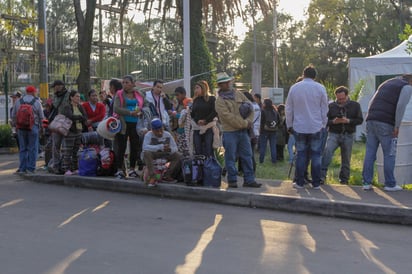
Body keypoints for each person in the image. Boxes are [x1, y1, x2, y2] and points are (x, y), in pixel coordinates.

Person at [362, 74, 412, 191]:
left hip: (371, 120)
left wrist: (370, 118)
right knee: (389, 153)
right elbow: (400, 106)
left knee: (370, 153)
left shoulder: (386, 83)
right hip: (386, 123)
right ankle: (390, 184)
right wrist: (397, 126)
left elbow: (371, 102)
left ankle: (366, 183)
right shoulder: (407, 87)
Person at [215, 72, 261, 188]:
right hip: (230, 132)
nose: (228, 84)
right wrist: (245, 123)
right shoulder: (219, 101)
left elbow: (250, 106)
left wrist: (249, 121)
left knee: (247, 155)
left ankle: (249, 180)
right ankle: (232, 180)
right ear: (220, 85)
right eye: (225, 82)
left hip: (243, 131)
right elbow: (228, 118)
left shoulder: (238, 93)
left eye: (228, 81)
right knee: (230, 157)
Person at [285, 65, 328, 190]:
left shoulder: (294, 88)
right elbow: (324, 109)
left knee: (301, 155)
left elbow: (289, 109)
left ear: (303, 74)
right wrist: (323, 124)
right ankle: (316, 183)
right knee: (316, 155)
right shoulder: (320, 88)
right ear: (315, 76)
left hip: (299, 126)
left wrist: (289, 125)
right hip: (316, 126)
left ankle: (299, 182)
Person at [321, 86, 363, 184]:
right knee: (327, 153)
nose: (340, 101)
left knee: (346, 158)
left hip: (348, 134)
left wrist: (348, 121)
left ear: (347, 96)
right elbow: (324, 121)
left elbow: (360, 120)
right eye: (338, 99)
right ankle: (321, 176)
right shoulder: (331, 106)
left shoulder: (355, 105)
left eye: (342, 99)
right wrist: (333, 122)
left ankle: (344, 179)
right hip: (334, 133)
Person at [113, 75, 146, 179]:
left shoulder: (138, 94)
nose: (125, 84)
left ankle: (132, 169)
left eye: (127, 82)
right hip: (123, 123)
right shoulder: (119, 94)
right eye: (123, 82)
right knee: (121, 147)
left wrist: (140, 111)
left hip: (136, 124)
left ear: (132, 83)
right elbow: (116, 108)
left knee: (135, 147)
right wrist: (130, 112)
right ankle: (119, 169)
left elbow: (144, 105)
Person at [11, 86, 44, 174]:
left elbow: (13, 115)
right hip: (33, 127)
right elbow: (41, 117)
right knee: (32, 148)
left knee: (23, 148)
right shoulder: (37, 102)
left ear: (26, 92)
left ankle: (22, 168)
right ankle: (31, 168)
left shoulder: (19, 101)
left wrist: (15, 125)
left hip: (21, 127)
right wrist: (42, 128)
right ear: (33, 92)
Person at [142, 118, 182, 187]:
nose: (160, 133)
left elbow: (175, 148)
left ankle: (167, 175)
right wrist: (160, 147)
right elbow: (145, 147)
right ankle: (153, 176)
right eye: (157, 131)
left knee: (178, 155)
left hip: (165, 154)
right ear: (152, 130)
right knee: (146, 153)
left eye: (161, 130)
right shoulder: (148, 135)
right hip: (153, 154)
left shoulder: (167, 135)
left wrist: (169, 150)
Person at [61, 90, 88, 175]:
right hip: (70, 131)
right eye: (76, 96)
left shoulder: (80, 107)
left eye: (79, 96)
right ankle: (67, 169)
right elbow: (70, 116)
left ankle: (75, 168)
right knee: (68, 151)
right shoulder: (67, 107)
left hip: (79, 131)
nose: (78, 98)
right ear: (71, 97)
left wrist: (79, 117)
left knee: (76, 151)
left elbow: (85, 117)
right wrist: (80, 117)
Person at [47, 80, 71, 174]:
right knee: (55, 145)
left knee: (66, 146)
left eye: (55, 86)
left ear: (61, 86)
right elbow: (53, 107)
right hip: (57, 122)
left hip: (66, 122)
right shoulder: (55, 96)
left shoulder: (69, 95)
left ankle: (66, 165)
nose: (54, 88)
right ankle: (56, 165)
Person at [191, 80, 218, 157]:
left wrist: (205, 120)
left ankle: (209, 166)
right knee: (197, 149)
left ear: (203, 88)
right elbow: (193, 114)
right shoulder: (195, 100)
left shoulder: (212, 99)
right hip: (197, 128)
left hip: (208, 127)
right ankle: (199, 168)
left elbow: (215, 112)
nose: (195, 90)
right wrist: (197, 120)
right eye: (195, 88)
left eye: (197, 88)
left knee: (208, 149)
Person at [171, 86, 192, 154]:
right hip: (179, 132)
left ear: (183, 94)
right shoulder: (179, 103)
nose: (176, 97)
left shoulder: (188, 102)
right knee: (180, 152)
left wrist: (176, 115)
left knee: (186, 151)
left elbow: (187, 115)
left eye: (178, 95)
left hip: (185, 132)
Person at [259, 98, 280, 164]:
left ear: (265, 104)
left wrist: (261, 130)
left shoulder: (263, 111)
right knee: (273, 146)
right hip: (274, 130)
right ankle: (274, 161)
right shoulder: (275, 111)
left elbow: (261, 122)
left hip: (265, 131)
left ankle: (261, 161)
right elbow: (279, 121)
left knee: (263, 146)